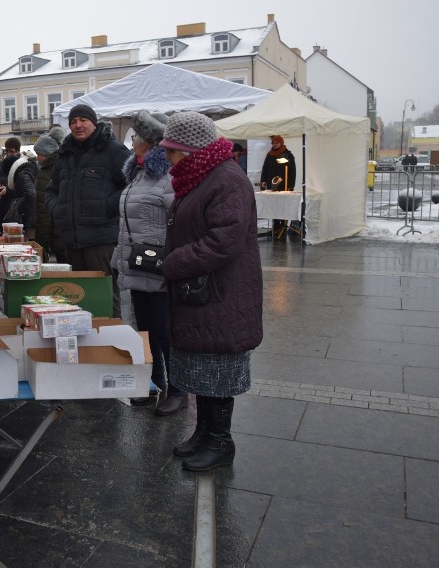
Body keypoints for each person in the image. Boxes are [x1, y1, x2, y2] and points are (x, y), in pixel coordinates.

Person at [158, 111, 263, 472]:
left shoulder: (226, 179)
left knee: (216, 369)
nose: (168, 158)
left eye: (172, 150)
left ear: (189, 149)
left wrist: (172, 262)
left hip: (221, 295)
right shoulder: (202, 176)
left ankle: (220, 442)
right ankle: (204, 433)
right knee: (203, 369)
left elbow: (224, 241)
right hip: (201, 292)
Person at [111, 111, 188, 416]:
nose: (132, 144)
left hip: (159, 264)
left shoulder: (167, 175)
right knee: (144, 330)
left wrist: (172, 257)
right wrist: (119, 257)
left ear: (149, 143)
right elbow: (127, 224)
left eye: (135, 139)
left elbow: (181, 219)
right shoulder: (139, 174)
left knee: (164, 330)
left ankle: (179, 389)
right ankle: (153, 383)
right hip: (137, 263)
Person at [46, 104, 130, 318]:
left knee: (104, 296)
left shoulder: (114, 150)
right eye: (73, 121)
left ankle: (113, 342)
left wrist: (107, 207)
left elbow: (131, 186)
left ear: (94, 123)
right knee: (78, 297)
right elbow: (51, 190)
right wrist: (58, 210)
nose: (77, 125)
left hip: (101, 239)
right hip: (71, 240)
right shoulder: (64, 154)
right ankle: (86, 346)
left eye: (83, 120)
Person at [33, 133, 68, 262]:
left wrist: (40, 246)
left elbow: (44, 214)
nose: (37, 158)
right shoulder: (63, 166)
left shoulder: (47, 173)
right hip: (64, 234)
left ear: (47, 154)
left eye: (39, 154)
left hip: (57, 234)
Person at [260, 135, 296, 238]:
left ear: (281, 143)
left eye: (276, 143)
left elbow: (292, 172)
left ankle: (283, 226)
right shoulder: (269, 155)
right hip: (271, 186)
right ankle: (276, 226)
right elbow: (265, 170)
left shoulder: (287, 155)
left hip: (284, 186)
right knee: (273, 206)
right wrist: (263, 183)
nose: (274, 145)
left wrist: (290, 186)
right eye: (273, 143)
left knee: (283, 206)